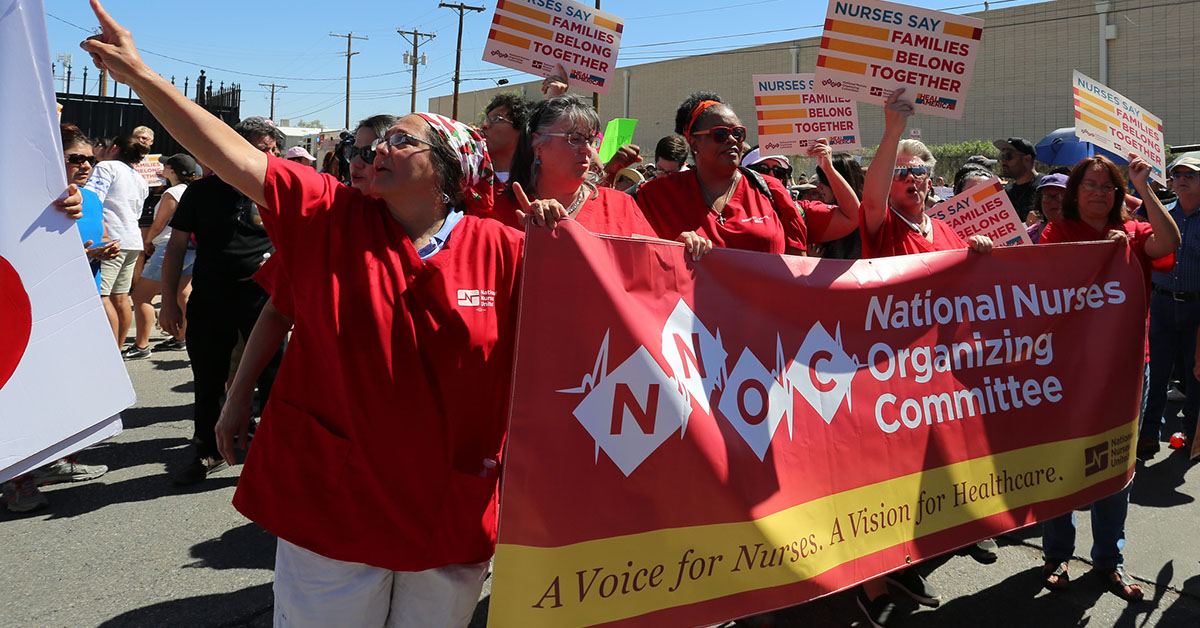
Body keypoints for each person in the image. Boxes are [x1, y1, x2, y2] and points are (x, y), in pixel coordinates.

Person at [81, 5, 524, 624]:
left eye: (403, 139)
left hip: (449, 497)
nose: (377, 147)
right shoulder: (330, 215)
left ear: (448, 173)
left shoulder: (504, 248)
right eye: (379, 138)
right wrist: (143, 77)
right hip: (336, 495)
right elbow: (232, 153)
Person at [855, 88, 992, 627]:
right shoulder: (882, 225)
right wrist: (892, 133)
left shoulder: (946, 229)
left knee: (926, 473)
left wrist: (975, 251)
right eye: (902, 174)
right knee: (888, 475)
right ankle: (870, 583)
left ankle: (902, 562)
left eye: (921, 173)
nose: (913, 181)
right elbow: (870, 198)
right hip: (891, 372)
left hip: (938, 372)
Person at [1038, 154, 1179, 602]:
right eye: (1090, 185)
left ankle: (1108, 561)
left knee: (1116, 463)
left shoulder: (1136, 233)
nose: (1099, 192)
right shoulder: (1057, 231)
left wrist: (1145, 185)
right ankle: (1057, 554)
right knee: (1062, 460)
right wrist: (1101, 253)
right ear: (1075, 194)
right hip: (1070, 367)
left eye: (1108, 186)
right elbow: (1045, 282)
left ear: (1118, 194)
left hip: (1128, 366)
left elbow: (1168, 240)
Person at [158, 117, 284, 486]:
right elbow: (176, 246)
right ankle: (207, 450)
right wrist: (168, 300)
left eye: (274, 150)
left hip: (265, 303)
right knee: (209, 379)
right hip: (211, 299)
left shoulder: (278, 190)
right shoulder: (200, 193)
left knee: (274, 378)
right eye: (262, 149)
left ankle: (278, 451)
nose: (269, 156)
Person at [2, 125, 113, 514]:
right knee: (25, 390)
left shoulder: (94, 199)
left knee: (64, 385)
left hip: (79, 302)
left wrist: (96, 253)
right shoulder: (23, 198)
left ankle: (57, 459)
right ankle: (16, 480)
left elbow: (81, 248)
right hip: (30, 310)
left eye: (90, 159)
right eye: (75, 158)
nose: (85, 165)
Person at [635, 91, 807, 255]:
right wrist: (669, 247)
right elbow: (616, 235)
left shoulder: (771, 190)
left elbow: (797, 266)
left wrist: (827, 168)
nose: (732, 139)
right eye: (720, 133)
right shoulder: (658, 193)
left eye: (738, 133)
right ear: (694, 144)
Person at [489, 94, 669, 243]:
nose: (587, 149)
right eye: (574, 139)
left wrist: (682, 250)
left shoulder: (621, 206)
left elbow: (652, 271)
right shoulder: (496, 211)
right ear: (537, 145)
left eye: (590, 141)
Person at [1141, 155, 1200, 457]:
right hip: (1161, 302)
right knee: (1157, 370)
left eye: (1191, 174)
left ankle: (1191, 435)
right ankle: (1149, 433)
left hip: (1197, 307)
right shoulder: (1160, 214)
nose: (1182, 178)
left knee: (1196, 374)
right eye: (1177, 173)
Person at [126, 153, 199, 358]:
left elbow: (159, 223)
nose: (163, 168)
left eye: (166, 166)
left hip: (168, 247)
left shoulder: (172, 193)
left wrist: (147, 241)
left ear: (172, 171)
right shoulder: (192, 190)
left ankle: (141, 345)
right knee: (183, 294)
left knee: (141, 295)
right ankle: (181, 339)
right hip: (190, 248)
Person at [84, 132, 150, 351]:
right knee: (121, 296)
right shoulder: (139, 178)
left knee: (102, 297)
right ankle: (119, 348)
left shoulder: (105, 168)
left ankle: (110, 351)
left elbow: (93, 199)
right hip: (132, 238)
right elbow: (138, 211)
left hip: (111, 238)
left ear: (114, 148)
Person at [479, 93, 528, 184]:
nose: (484, 125)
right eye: (486, 120)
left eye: (496, 119)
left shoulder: (537, 183)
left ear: (521, 129)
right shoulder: (471, 179)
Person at [993, 137, 1043, 220]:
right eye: (1002, 156)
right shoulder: (1006, 193)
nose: (1003, 162)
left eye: (1008, 156)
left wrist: (1043, 217)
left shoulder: (1046, 187)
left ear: (1027, 158)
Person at [1027, 173, 1067, 243]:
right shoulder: (1029, 235)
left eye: (1061, 195)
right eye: (1047, 196)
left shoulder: (1082, 232)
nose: (1053, 202)